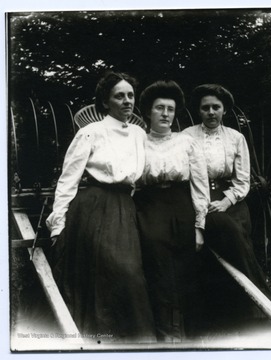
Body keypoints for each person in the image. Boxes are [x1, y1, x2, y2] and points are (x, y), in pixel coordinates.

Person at [46, 71, 156, 343]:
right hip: (95, 207)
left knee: (131, 273)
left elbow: (150, 169)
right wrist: (58, 223)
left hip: (126, 207)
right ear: (106, 102)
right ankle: (101, 339)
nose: (127, 101)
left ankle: (132, 343)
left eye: (130, 95)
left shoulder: (140, 134)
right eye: (119, 96)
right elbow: (68, 180)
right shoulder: (90, 133)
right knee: (115, 271)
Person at [183, 83, 271, 327]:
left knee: (236, 241)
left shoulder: (236, 138)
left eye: (216, 107)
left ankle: (254, 311)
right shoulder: (186, 136)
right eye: (206, 108)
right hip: (198, 199)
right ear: (199, 111)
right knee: (212, 255)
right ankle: (222, 315)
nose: (211, 112)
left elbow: (242, 179)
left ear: (224, 110)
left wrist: (226, 201)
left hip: (231, 201)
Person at [134, 80, 210, 342]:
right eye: (159, 108)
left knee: (187, 270)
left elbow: (200, 184)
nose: (166, 114)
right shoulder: (137, 142)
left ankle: (192, 337)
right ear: (148, 112)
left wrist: (199, 226)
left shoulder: (186, 141)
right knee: (158, 270)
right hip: (149, 207)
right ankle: (166, 336)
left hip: (181, 206)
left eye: (170, 109)